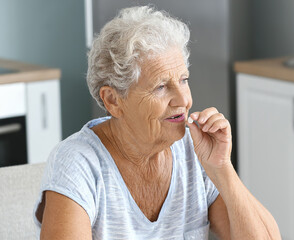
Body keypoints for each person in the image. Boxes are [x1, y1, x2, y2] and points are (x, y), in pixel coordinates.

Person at [33, 6, 281, 240]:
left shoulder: (194, 151)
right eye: (161, 87)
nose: (184, 99)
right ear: (113, 100)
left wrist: (222, 168)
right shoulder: (79, 163)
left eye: (183, 79)